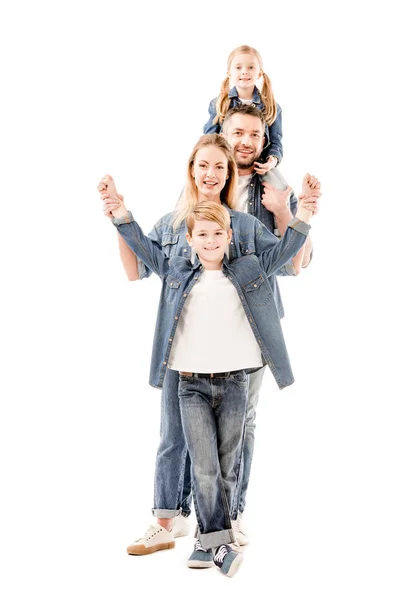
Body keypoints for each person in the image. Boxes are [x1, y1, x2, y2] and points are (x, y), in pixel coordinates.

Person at [98, 134, 319, 556]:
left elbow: (290, 263)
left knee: (230, 443)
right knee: (173, 438)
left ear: (230, 173)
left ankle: (223, 523)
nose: (211, 173)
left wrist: (294, 212)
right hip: (183, 353)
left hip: (238, 355)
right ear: (191, 169)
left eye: (220, 166)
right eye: (203, 165)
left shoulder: (248, 227)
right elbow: (140, 265)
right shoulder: (170, 224)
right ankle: (167, 522)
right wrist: (119, 218)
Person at [203, 44, 282, 174]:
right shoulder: (218, 104)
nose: (244, 71)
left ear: (259, 73)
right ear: (229, 73)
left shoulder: (272, 107)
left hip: (257, 167)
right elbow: (210, 138)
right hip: (227, 165)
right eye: (238, 67)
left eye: (251, 67)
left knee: (280, 186)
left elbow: (276, 141)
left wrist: (271, 162)